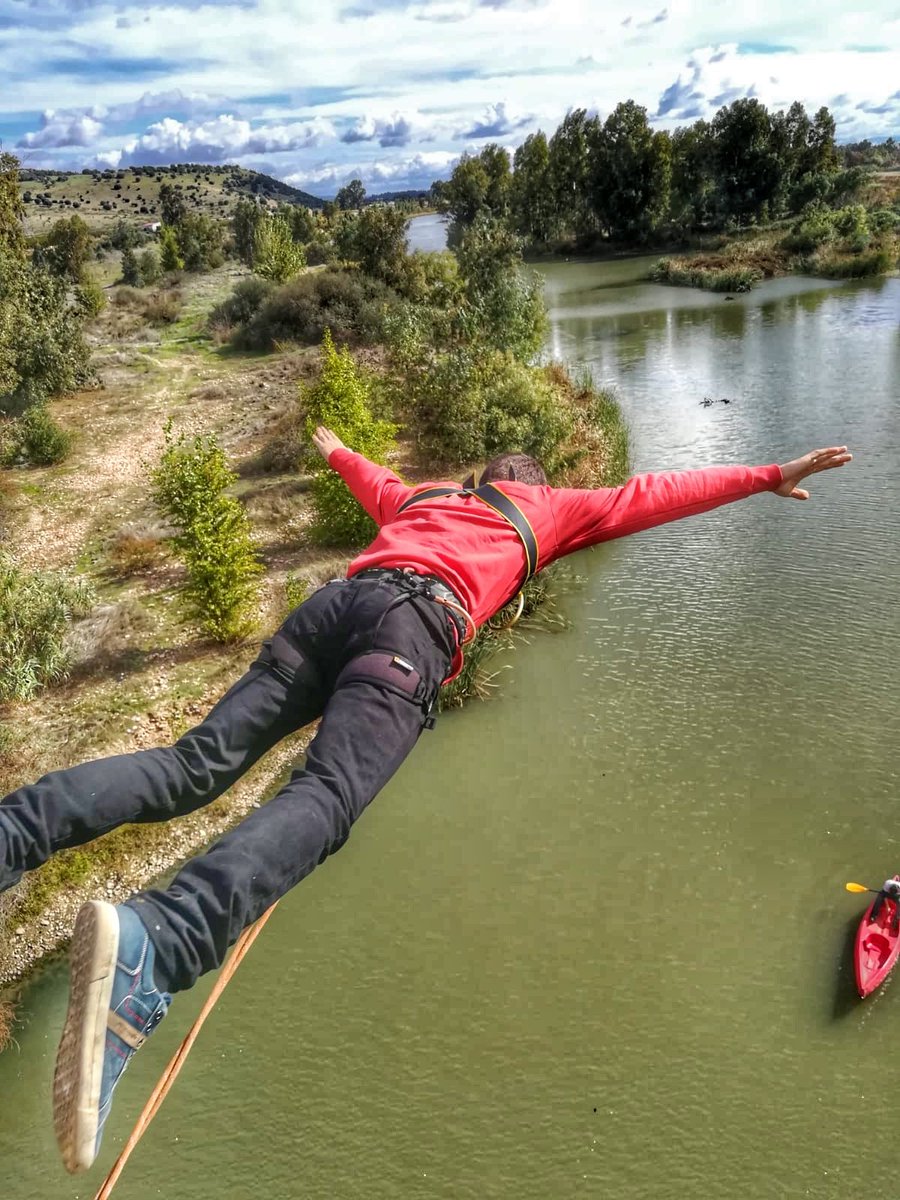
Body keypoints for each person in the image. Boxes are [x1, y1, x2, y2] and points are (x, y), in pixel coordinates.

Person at [0, 432, 851, 1174]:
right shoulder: (547, 512)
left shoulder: (429, 499)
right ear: (537, 486)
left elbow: (370, 479)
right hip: (414, 632)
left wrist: (333, 447)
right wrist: (767, 473)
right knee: (328, 797)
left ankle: (13, 836)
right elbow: (650, 494)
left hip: (334, 606)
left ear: (483, 476)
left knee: (192, 765)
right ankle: (164, 942)